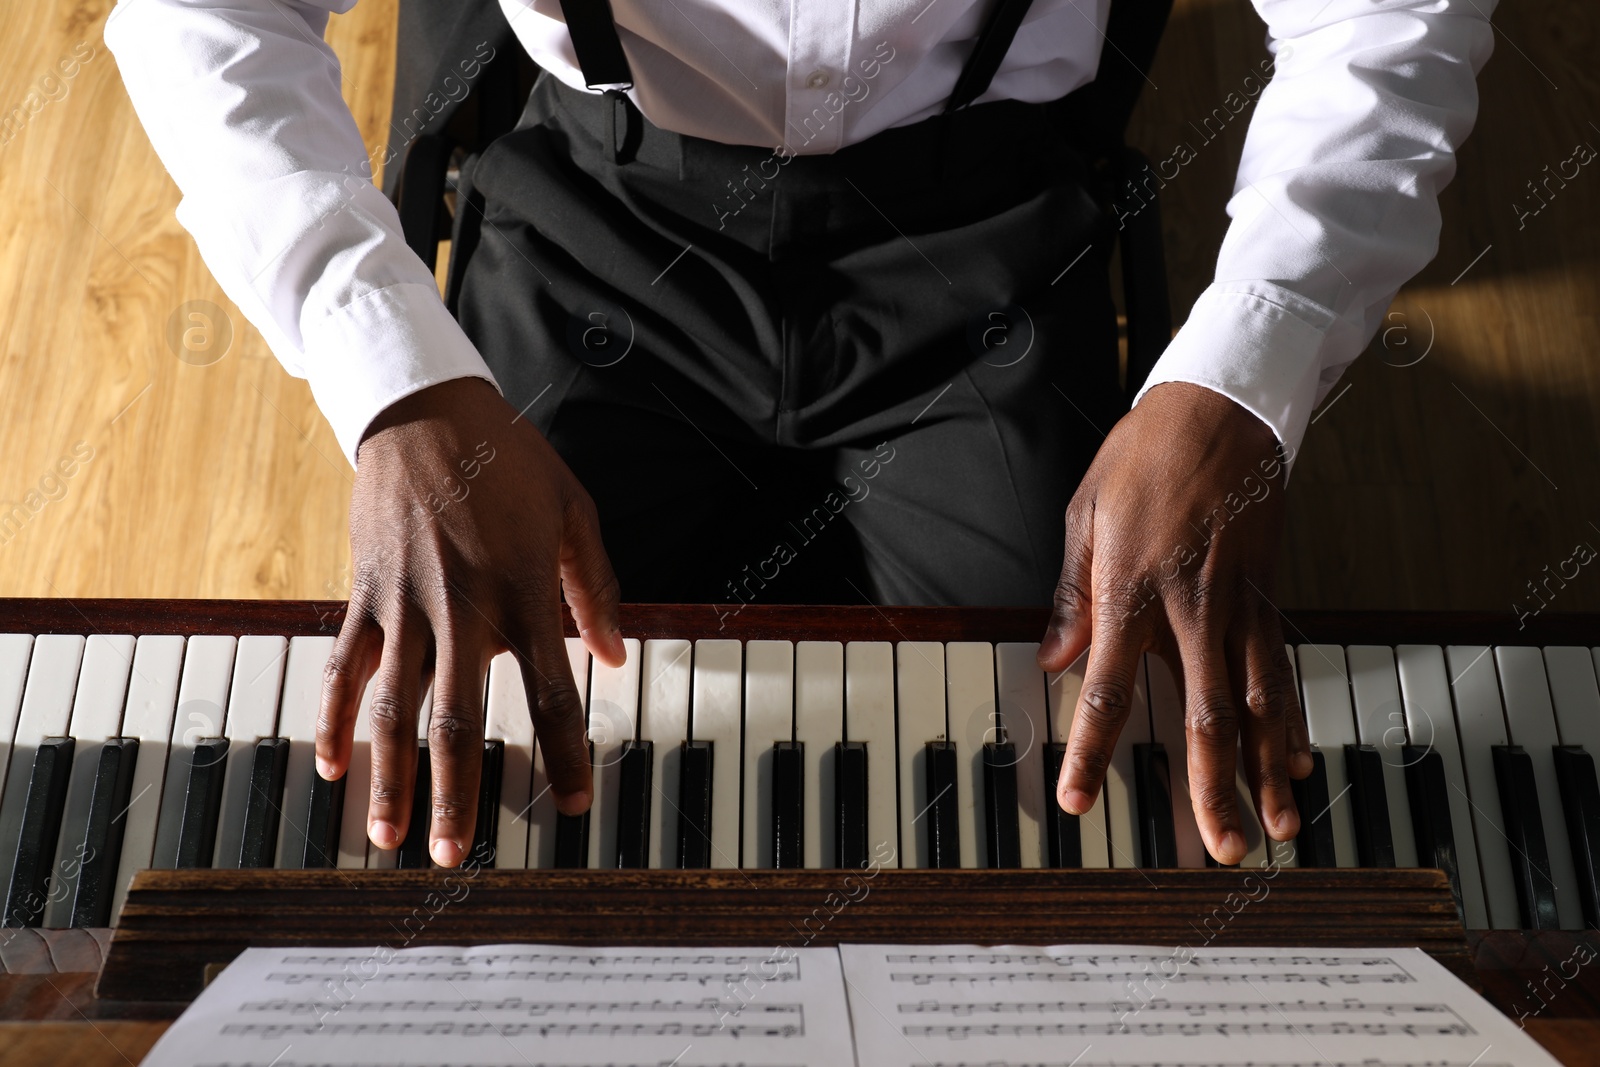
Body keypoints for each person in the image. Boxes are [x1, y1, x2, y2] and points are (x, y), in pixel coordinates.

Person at [107, 0, 1495, 869]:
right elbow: (195, 17)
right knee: (494, 821)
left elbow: (1389, 21)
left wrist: (1240, 382)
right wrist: (396, 385)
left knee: (1054, 806)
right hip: (608, 202)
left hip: (984, 221)